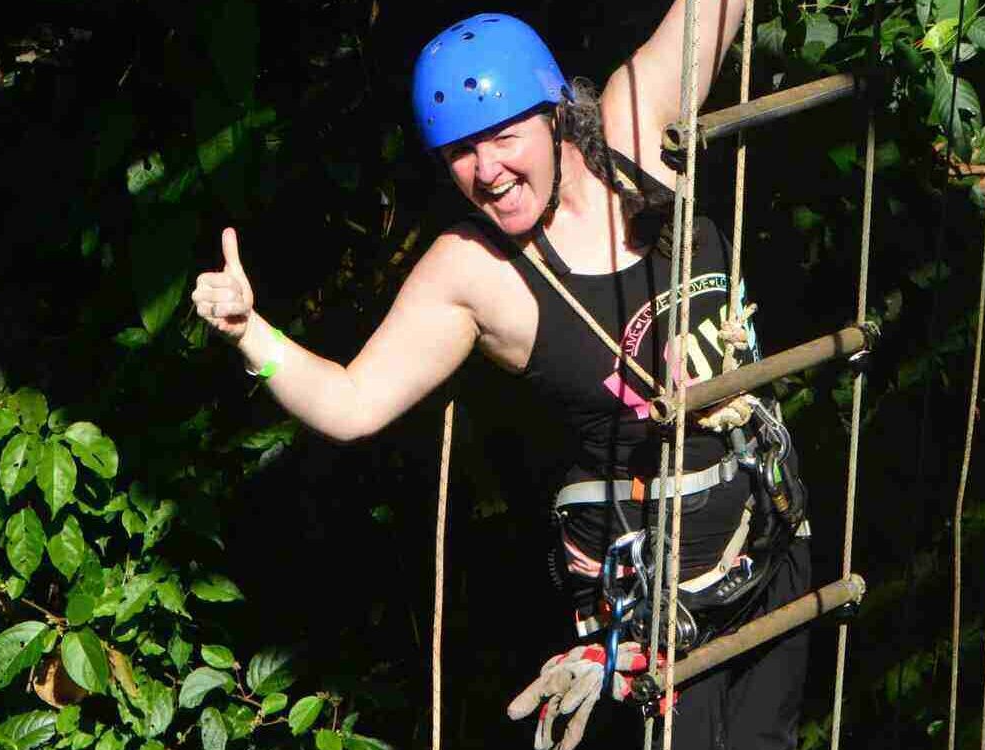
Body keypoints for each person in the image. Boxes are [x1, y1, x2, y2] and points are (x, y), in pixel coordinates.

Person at [192, 4, 816, 748]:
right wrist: (251, 333)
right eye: (460, 151)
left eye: (502, 136)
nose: (486, 171)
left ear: (555, 116)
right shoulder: (474, 272)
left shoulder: (636, 127)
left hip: (771, 539)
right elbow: (351, 403)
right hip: (659, 607)